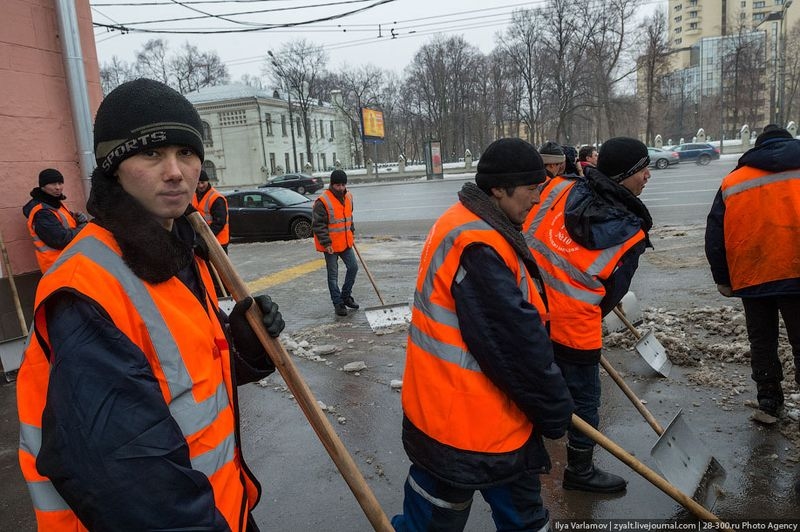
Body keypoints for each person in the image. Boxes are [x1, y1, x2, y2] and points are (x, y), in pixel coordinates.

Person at [16, 78, 285, 531]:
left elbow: (184, 381)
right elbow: (128, 481)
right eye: (152, 154)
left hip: (224, 507)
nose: (176, 171)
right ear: (114, 169)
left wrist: (242, 342)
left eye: (186, 153)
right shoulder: (89, 290)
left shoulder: (175, 250)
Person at [393, 138, 574, 531]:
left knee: (437, 515)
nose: (537, 201)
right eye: (530, 191)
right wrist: (554, 407)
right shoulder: (478, 245)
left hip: (449, 414)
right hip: (476, 423)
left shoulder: (465, 221)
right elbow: (513, 348)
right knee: (507, 519)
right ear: (498, 189)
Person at [523, 137, 653, 493]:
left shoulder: (560, 189)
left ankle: (529, 457)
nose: (648, 177)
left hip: (528, 308)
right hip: (574, 327)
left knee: (534, 387)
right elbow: (611, 295)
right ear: (626, 174)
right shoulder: (631, 233)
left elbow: (526, 235)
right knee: (584, 402)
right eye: (643, 170)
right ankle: (579, 470)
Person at [705, 124, 800, 422]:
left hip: (753, 273)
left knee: (762, 340)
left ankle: (769, 400)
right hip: (796, 272)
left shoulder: (734, 181)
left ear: (757, 148)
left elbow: (715, 235)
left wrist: (723, 278)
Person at [22, 168, 88, 273]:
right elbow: (60, 240)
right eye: (53, 184)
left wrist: (75, 217)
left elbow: (64, 222)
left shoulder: (54, 203)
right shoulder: (41, 212)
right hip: (57, 267)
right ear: (42, 186)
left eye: (60, 183)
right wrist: (83, 228)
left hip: (70, 261)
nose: (58, 187)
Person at [312, 169, 359, 317]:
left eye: (343, 185)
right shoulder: (323, 201)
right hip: (330, 245)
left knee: (353, 267)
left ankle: (346, 296)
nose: (340, 188)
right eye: (337, 185)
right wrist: (326, 244)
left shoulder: (349, 196)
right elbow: (318, 225)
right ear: (332, 184)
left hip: (345, 242)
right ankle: (338, 303)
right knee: (333, 275)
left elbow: (348, 217)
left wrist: (352, 231)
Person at [192, 169, 230, 253]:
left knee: (220, 266)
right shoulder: (193, 195)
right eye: (197, 183)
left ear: (207, 181)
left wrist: (205, 237)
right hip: (202, 241)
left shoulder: (216, 198)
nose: (200, 186)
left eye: (202, 182)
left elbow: (219, 223)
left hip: (218, 241)